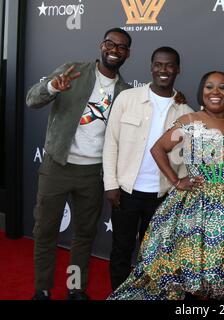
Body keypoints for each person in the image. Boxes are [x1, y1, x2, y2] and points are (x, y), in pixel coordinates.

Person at [108, 71, 224, 300]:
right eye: (209, 87)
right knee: (195, 269)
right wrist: (176, 180)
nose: (215, 92)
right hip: (199, 206)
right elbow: (158, 149)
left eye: (222, 87)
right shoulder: (190, 121)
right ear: (201, 93)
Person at [26, 28, 132, 300]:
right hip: (57, 166)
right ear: (101, 45)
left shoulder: (125, 92)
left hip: (93, 173)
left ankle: (75, 288)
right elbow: (32, 99)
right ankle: (43, 289)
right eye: (111, 43)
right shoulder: (73, 70)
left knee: (84, 235)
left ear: (127, 54)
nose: (115, 50)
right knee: (46, 230)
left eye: (121, 47)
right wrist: (51, 87)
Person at [102, 46, 192, 291]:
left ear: (178, 69)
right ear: (151, 67)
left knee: (153, 254)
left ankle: (146, 295)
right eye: (159, 64)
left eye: (170, 65)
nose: (164, 70)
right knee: (121, 249)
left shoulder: (185, 111)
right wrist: (111, 185)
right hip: (126, 192)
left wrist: (178, 190)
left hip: (161, 196)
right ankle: (119, 294)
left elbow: (187, 161)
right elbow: (111, 143)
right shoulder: (127, 98)